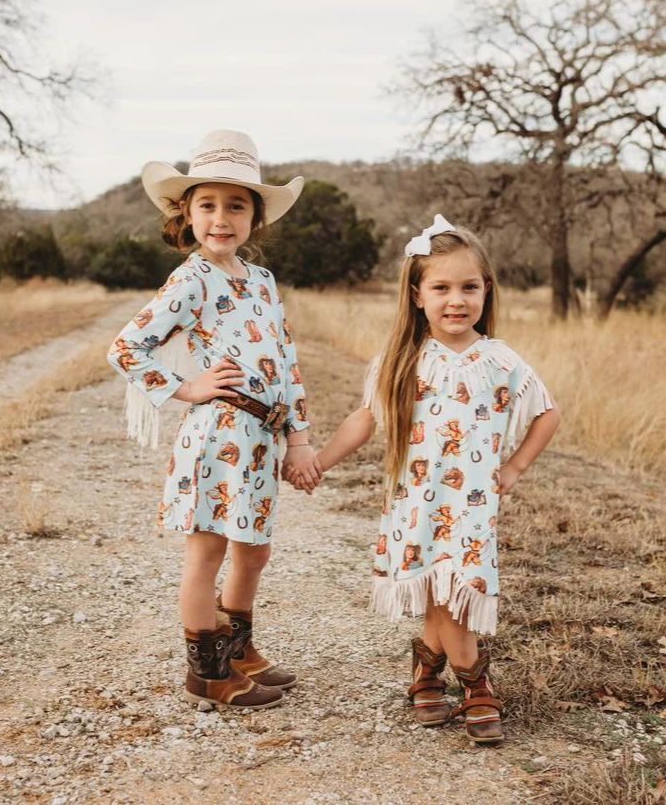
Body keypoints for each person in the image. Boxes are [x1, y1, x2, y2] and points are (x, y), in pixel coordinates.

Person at [309, 215, 560, 743]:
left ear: (486, 292)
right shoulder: (401, 361)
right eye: (441, 287)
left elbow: (547, 414)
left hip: (470, 506)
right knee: (437, 593)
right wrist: (317, 462)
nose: (456, 300)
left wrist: (512, 468)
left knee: (454, 593)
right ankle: (446, 675)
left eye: (469, 287)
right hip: (415, 504)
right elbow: (364, 419)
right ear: (417, 294)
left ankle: (460, 677)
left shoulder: (500, 360)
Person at [107, 129, 322, 710]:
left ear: (256, 217)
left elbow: (287, 362)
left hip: (262, 437)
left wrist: (298, 438)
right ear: (188, 213)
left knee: (254, 549)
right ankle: (207, 671)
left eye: (236, 205)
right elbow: (126, 349)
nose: (221, 218)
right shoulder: (192, 279)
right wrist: (186, 387)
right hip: (217, 434)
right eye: (208, 205)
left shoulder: (261, 281)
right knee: (208, 551)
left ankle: (239, 649)